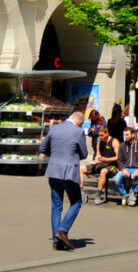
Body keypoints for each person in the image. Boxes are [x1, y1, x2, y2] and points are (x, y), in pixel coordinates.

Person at [39, 100, 89, 250]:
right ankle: (63, 230)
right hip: (69, 171)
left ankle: (56, 240)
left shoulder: (54, 128)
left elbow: (43, 148)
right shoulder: (78, 132)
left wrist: (54, 156)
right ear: (79, 122)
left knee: (56, 205)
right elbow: (84, 153)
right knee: (76, 202)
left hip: (53, 170)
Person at [113, 126, 138, 206]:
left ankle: (133, 191)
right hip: (126, 168)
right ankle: (124, 195)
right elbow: (119, 160)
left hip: (137, 168)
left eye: (127, 135)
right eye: (125, 135)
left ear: (133, 135)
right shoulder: (122, 145)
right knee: (117, 179)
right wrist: (123, 169)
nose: (126, 137)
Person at [90, 128, 118, 204]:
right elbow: (98, 154)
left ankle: (98, 194)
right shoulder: (99, 142)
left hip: (113, 166)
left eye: (102, 135)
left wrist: (106, 159)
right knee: (81, 169)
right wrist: (96, 159)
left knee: (103, 171)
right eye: (99, 135)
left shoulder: (114, 142)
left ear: (107, 133)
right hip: (101, 164)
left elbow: (118, 157)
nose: (100, 137)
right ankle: (81, 193)